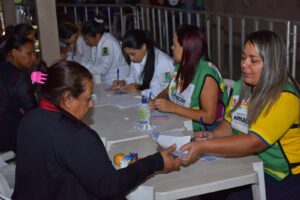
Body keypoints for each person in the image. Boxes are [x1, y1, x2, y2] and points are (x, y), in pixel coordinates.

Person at [12, 60, 181, 200]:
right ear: (67, 98)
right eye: (87, 98)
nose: (91, 104)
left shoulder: (28, 119)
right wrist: (156, 162)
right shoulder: (74, 136)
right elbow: (111, 187)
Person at [180, 30, 300, 200]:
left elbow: (254, 142)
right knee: (208, 189)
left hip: (282, 174)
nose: (244, 64)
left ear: (272, 63)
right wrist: (212, 135)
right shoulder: (240, 86)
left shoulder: (284, 98)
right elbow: (229, 124)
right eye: (243, 57)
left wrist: (204, 147)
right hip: (248, 163)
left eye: (254, 60)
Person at [151, 24, 228, 131]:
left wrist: (172, 107)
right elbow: (170, 89)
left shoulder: (207, 75)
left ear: (187, 48)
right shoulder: (181, 65)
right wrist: (155, 101)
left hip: (206, 130)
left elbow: (209, 117)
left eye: (174, 44)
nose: (171, 47)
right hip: (181, 122)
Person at [0, 35, 37, 152]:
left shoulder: (3, 68)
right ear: (14, 53)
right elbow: (32, 109)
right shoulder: (19, 77)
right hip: (8, 131)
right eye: (29, 54)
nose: (33, 58)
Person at [111, 29, 174, 98]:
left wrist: (139, 92)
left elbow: (166, 92)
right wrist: (124, 82)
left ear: (144, 47)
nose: (131, 58)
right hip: (144, 100)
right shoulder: (137, 58)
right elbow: (133, 76)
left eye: (132, 54)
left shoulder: (164, 62)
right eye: (128, 55)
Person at [81, 16, 129, 85]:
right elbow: (93, 62)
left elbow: (103, 68)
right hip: (107, 79)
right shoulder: (96, 44)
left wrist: (85, 67)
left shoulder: (108, 43)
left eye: (87, 39)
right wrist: (84, 65)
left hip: (118, 79)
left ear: (97, 36)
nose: (86, 42)